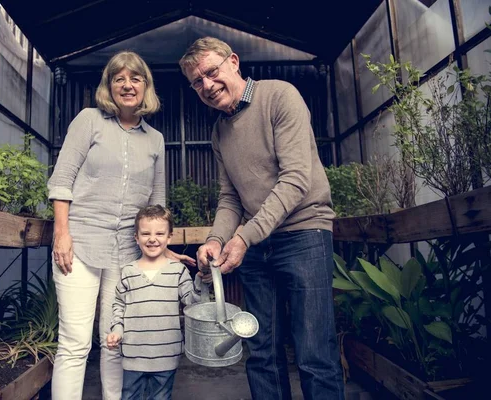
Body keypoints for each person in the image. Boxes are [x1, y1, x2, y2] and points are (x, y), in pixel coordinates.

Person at [178, 37, 344, 400]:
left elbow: (296, 178)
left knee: (314, 353)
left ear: (233, 62)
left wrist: (243, 238)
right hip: (256, 244)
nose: (207, 85)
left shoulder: (280, 97)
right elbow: (229, 198)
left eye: (211, 72)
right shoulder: (219, 131)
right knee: (261, 350)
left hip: (304, 234)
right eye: (197, 81)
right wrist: (216, 240)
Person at [48, 51, 195, 400]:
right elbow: (62, 180)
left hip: (127, 254)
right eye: (119, 79)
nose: (128, 85)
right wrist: (62, 234)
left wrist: (162, 250)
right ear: (109, 85)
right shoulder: (88, 121)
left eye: (136, 78)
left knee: (115, 342)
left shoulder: (155, 139)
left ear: (146, 86)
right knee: (75, 343)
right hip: (80, 244)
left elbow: (157, 203)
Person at [106, 205, 204, 400]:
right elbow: (119, 305)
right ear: (136, 237)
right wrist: (117, 329)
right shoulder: (128, 272)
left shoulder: (178, 271)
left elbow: (192, 303)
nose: (152, 239)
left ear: (169, 237)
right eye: (145, 233)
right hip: (134, 354)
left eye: (160, 233)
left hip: (166, 355)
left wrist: (202, 280)